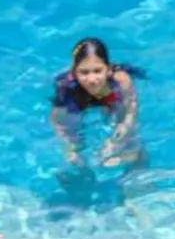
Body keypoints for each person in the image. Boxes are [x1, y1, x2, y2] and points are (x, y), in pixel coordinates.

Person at [50, 38, 145, 168]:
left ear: (108, 69)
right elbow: (59, 123)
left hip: (109, 94)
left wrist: (116, 140)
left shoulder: (121, 80)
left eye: (97, 71)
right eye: (84, 72)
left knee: (133, 148)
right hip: (81, 97)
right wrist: (70, 149)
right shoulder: (67, 88)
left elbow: (130, 110)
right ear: (74, 73)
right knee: (73, 158)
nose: (92, 79)